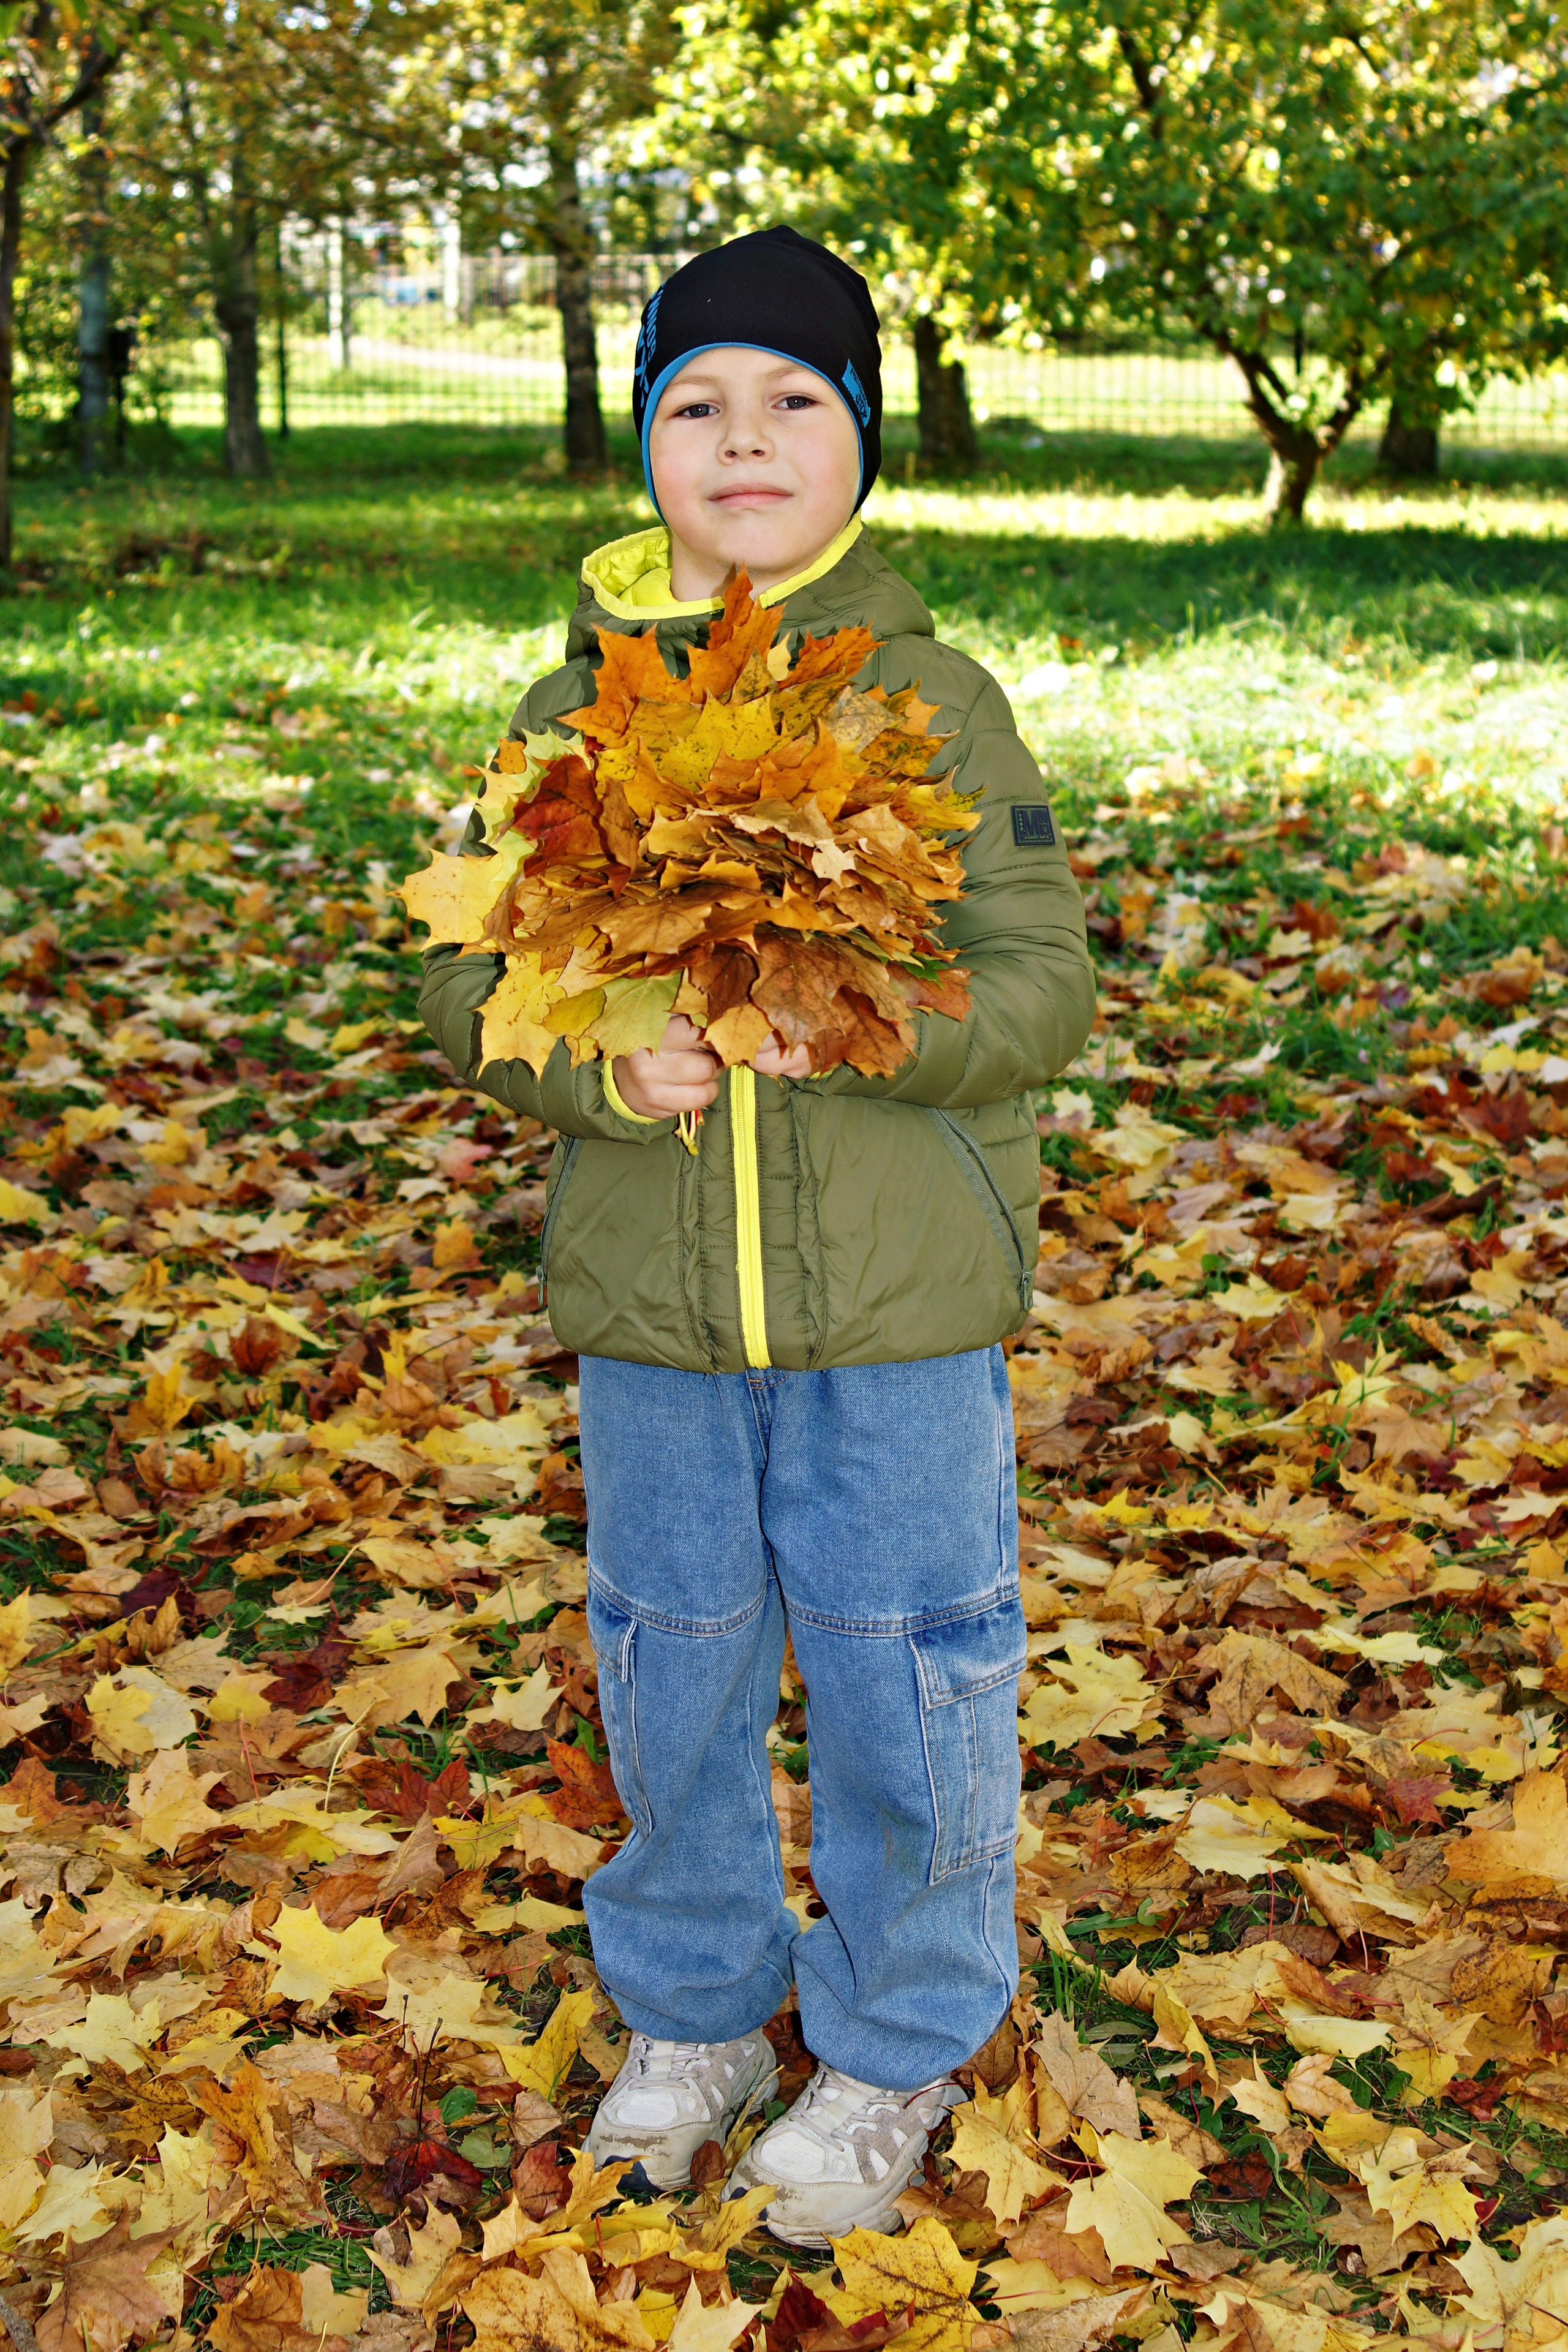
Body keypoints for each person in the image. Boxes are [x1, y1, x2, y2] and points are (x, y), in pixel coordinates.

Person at [419, 227, 1095, 2248]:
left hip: (897, 1313)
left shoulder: (935, 700)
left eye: (798, 397)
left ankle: (893, 2040)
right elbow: (470, 987)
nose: (746, 435)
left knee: (908, 1669)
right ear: (641, 445)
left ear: (865, 445)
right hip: (652, 1319)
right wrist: (596, 1078)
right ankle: (698, 2010)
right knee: (674, 1664)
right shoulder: (569, 706)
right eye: (696, 399)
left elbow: (1044, 985)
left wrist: (873, 1033)